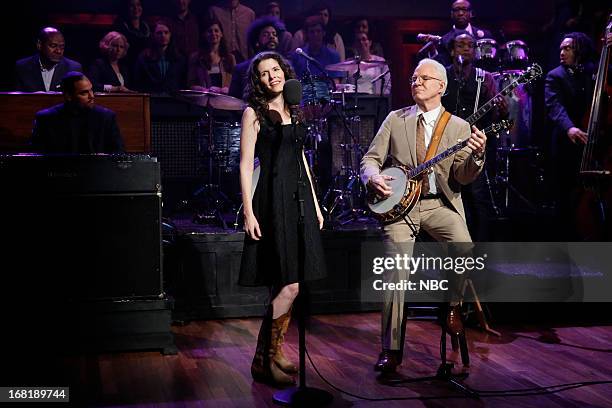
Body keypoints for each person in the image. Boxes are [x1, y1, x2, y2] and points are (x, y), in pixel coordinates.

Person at [360, 58, 487, 373]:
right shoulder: (395, 118)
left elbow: (463, 174)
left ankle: (452, 308)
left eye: (423, 78)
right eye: (413, 77)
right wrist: (372, 176)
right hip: (402, 208)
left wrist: (479, 155)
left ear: (440, 86)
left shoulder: (457, 126)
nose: (415, 82)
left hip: (437, 204)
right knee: (395, 270)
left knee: (464, 246)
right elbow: (370, 159)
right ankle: (391, 348)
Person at [238, 51, 326, 386]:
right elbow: (247, 165)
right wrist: (248, 210)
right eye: (264, 73)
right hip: (272, 199)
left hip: (299, 199)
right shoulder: (254, 113)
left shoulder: (294, 108)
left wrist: (316, 204)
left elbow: (301, 159)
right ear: (257, 80)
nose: (272, 76)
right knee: (289, 284)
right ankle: (263, 358)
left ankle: (274, 353)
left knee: (291, 280)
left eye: (276, 70)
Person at [441, 31, 506, 241]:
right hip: (445, 146)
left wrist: (502, 109)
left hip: (474, 145)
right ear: (452, 51)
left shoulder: (484, 78)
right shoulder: (443, 75)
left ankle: (480, 249)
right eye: (461, 45)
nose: (467, 48)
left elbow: (497, 117)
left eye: (470, 45)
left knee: (478, 198)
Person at [544, 32, 596, 239]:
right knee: (565, 194)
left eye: (568, 48)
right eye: (561, 49)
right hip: (567, 140)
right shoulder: (555, 75)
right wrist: (570, 128)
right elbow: (555, 106)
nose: (562, 52)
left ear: (580, 50)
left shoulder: (595, 71)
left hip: (594, 139)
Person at [31, 72, 124, 153]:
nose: (91, 96)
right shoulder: (46, 119)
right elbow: (37, 155)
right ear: (68, 96)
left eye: (91, 90)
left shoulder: (106, 117)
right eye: (84, 93)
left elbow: (118, 154)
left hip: (97, 171)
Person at [228, 16, 283, 99]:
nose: (272, 37)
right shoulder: (242, 69)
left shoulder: (285, 67)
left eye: (274, 34)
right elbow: (233, 101)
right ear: (256, 42)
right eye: (266, 34)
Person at [14, 27, 82, 92]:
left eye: (61, 47)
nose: (58, 51)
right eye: (53, 46)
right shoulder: (22, 67)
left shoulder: (73, 68)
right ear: (39, 45)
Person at [434, 0, 493, 67]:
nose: (460, 13)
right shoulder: (444, 40)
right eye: (456, 10)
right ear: (451, 14)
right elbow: (446, 66)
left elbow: (489, 61)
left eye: (464, 9)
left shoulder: (485, 35)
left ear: (471, 13)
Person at [134, 20, 186, 94]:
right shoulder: (144, 57)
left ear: (170, 34)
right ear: (153, 35)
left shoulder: (179, 58)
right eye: (159, 33)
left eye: (166, 32)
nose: (163, 35)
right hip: (152, 99)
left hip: (173, 100)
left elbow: (182, 81)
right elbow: (138, 81)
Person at [288, 15, 343, 83]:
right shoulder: (298, 56)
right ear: (307, 34)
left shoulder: (333, 56)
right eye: (312, 32)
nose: (315, 35)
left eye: (318, 31)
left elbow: (336, 82)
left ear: (324, 33)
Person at [187, 19, 236, 94]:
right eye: (210, 31)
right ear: (204, 34)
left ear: (221, 34)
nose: (213, 34)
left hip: (224, 101)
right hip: (203, 101)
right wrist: (205, 91)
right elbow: (190, 84)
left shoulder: (230, 58)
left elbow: (235, 83)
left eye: (216, 31)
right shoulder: (195, 57)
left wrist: (226, 89)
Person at [113, 0, 151, 71]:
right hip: (126, 67)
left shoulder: (146, 27)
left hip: (145, 67)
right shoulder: (120, 27)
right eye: (132, 6)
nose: (136, 8)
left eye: (138, 5)